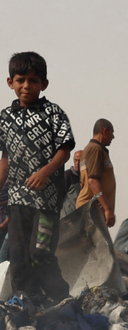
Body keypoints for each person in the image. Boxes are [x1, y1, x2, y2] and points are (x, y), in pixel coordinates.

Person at [0, 52, 74, 303]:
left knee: (40, 253)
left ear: (44, 84)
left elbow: (64, 149)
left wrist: (45, 172)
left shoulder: (54, 113)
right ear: (10, 82)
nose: (26, 86)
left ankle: (63, 301)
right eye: (20, 80)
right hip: (17, 199)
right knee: (18, 255)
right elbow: (6, 159)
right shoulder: (5, 118)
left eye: (33, 80)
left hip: (46, 200)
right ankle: (25, 305)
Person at [76, 118, 117, 227]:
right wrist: (107, 208)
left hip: (90, 210)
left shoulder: (89, 149)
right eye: (111, 133)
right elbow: (93, 181)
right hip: (93, 211)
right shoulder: (96, 149)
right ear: (104, 131)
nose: (113, 137)